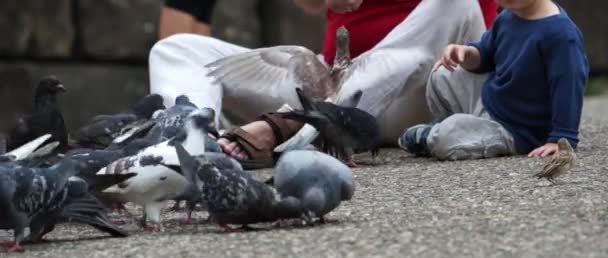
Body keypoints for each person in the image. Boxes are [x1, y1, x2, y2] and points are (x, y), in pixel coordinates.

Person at [149, 0, 499, 165]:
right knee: (176, 49)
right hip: (335, 80)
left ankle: (296, 123)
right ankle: (187, 150)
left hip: (427, 90)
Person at [398, 0, 589, 161]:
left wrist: (561, 139)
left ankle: (435, 137)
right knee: (441, 74)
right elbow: (486, 54)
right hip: (490, 99)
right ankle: (449, 123)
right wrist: (466, 53)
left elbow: (568, 89)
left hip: (517, 129)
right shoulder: (508, 16)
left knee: (447, 139)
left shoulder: (561, 35)